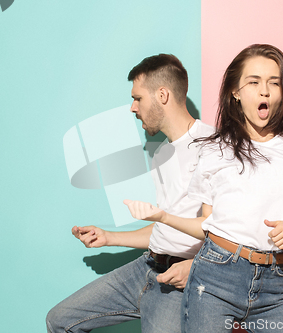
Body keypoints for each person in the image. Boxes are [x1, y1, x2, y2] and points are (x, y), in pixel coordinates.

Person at [124, 44, 283, 332]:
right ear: (235, 92)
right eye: (254, 82)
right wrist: (162, 217)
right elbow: (207, 227)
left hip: (277, 282)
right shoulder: (214, 150)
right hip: (213, 278)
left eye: (274, 82)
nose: (265, 91)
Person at [46, 54, 214, 333]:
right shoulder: (162, 153)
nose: (132, 107)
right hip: (145, 266)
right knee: (59, 320)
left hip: (178, 281)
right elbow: (167, 229)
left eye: (138, 98)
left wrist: (196, 267)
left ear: (162, 95)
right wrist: (109, 237)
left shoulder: (212, 147)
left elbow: (230, 232)